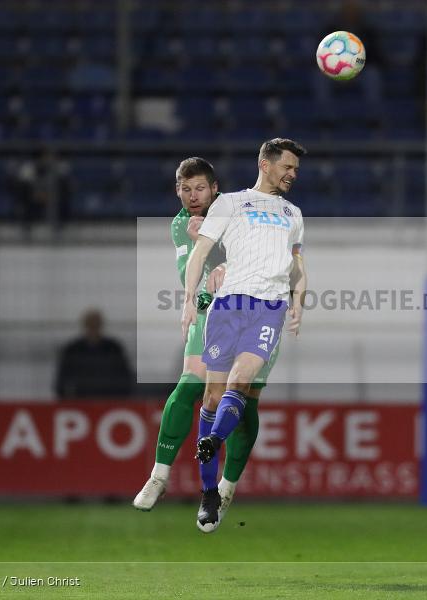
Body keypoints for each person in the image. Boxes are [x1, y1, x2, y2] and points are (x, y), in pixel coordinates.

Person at [132, 157, 280, 521]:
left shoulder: (239, 213)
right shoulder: (182, 224)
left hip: (257, 310)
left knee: (244, 403)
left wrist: (228, 261)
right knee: (189, 388)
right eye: (186, 189)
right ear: (177, 191)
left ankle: (228, 487)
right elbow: (192, 269)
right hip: (210, 312)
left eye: (200, 188)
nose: (193, 196)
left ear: (215, 189)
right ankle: (159, 475)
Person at [183, 138, 307, 533]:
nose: (292, 174)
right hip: (228, 306)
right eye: (287, 167)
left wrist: (299, 300)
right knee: (213, 396)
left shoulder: (293, 213)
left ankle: (213, 440)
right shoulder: (231, 204)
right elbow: (201, 253)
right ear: (264, 164)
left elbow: (298, 266)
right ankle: (208, 493)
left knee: (241, 380)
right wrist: (189, 299)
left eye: (295, 170)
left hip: (268, 309)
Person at [54, 308, 134, 399]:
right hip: (81, 400)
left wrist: (122, 399)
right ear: (85, 325)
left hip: (109, 400)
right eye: (91, 324)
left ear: (101, 325)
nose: (93, 327)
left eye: (96, 323)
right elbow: (62, 379)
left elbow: (125, 377)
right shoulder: (72, 349)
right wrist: (67, 401)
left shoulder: (113, 348)